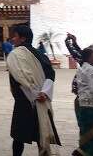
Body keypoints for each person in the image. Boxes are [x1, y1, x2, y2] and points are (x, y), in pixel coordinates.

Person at [7, 25, 61, 156]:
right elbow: (51, 74)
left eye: (15, 36)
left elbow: (19, 79)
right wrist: (43, 93)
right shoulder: (41, 55)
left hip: (23, 102)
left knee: (18, 137)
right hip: (41, 101)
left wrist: (33, 94)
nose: (12, 39)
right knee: (40, 134)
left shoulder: (15, 55)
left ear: (23, 38)